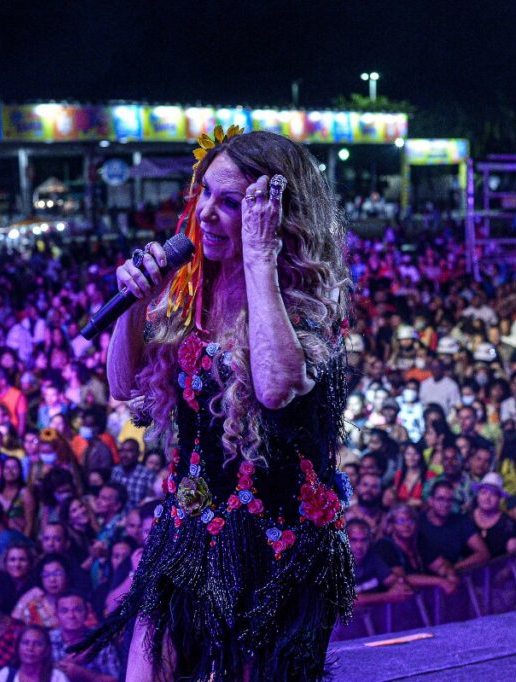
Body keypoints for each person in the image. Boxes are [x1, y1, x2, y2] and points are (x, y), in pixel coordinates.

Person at [73, 130, 356, 680]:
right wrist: (135, 304)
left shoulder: (308, 298)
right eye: (205, 193)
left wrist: (260, 257)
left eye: (231, 202)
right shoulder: (187, 290)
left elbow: (275, 387)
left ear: (277, 214)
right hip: (188, 531)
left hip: (278, 547)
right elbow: (123, 383)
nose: (205, 213)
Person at [419, 480, 490, 576]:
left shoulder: (460, 521)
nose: (445, 504)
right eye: (440, 499)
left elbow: (484, 553)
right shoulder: (418, 521)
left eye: (449, 500)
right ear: (431, 501)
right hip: (423, 579)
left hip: (453, 576)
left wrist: (454, 568)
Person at [49, 592, 119, 682]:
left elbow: (116, 680)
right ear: (56, 615)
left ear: (86, 613)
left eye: (77, 610)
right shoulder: (48, 639)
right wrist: (60, 666)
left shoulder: (100, 640)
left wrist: (84, 674)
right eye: (64, 611)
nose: (71, 616)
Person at [471, 473, 516, 557]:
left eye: (493, 494)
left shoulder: (508, 523)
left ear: (499, 499)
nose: (487, 498)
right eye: (483, 493)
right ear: (478, 495)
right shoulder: (468, 518)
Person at [0, 625, 67, 682]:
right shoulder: (5, 675)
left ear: (47, 650)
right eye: (25, 643)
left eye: (38, 644)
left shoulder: (57, 678)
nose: (30, 648)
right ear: (17, 647)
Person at [109, 439, 156, 511]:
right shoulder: (115, 471)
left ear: (138, 454)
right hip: (114, 516)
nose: (124, 455)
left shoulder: (147, 475)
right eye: (122, 451)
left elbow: (150, 502)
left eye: (129, 451)